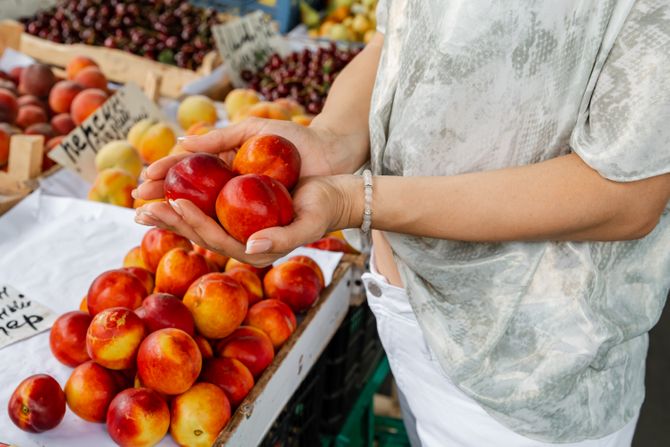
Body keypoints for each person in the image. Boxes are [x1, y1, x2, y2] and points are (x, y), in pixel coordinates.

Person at [134, 1, 670, 445]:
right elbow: (403, 37)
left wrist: (360, 201)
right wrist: (332, 140)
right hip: (406, 306)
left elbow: (627, 194)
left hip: (533, 365)